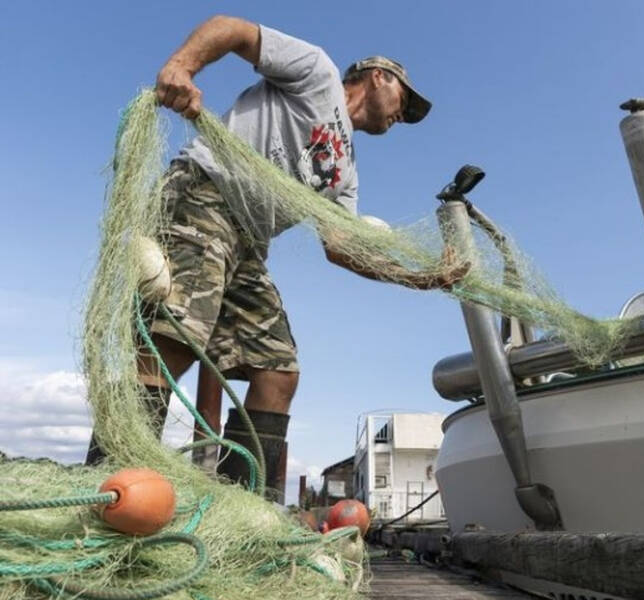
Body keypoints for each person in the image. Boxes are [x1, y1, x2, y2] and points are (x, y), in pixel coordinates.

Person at [86, 15, 465, 502]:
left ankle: (239, 510)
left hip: (247, 244)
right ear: (378, 77)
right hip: (205, 195)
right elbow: (233, 29)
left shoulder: (346, 173)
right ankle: (104, 489)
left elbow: (340, 247)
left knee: (278, 371)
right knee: (174, 337)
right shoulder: (318, 73)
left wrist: (421, 278)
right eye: (405, 101)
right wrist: (182, 67)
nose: (402, 115)